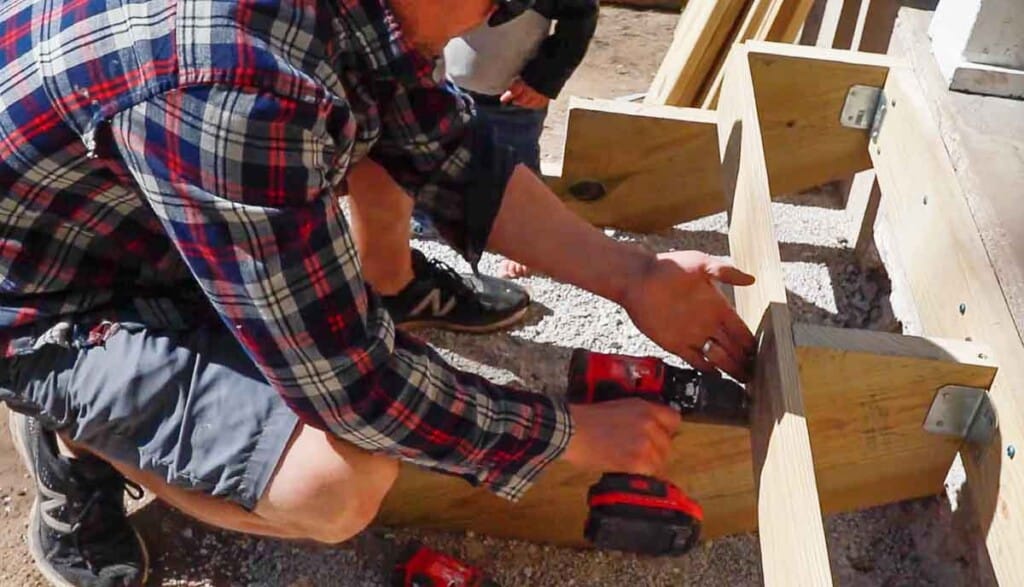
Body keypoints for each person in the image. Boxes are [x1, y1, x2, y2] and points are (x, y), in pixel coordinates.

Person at [0, 0, 757, 585]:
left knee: (365, 152)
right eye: (497, 2)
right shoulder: (241, 87)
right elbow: (357, 392)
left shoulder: (360, 19)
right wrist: (571, 435)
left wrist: (635, 276)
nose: (495, 20)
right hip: (46, 297)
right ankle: (71, 434)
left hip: (122, 210)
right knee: (337, 480)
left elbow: (444, 145)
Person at [411, 0, 598, 283]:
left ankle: (526, 234)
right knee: (435, 151)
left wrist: (544, 79)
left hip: (513, 94)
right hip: (446, 81)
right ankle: (428, 217)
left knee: (517, 161)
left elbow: (579, 19)